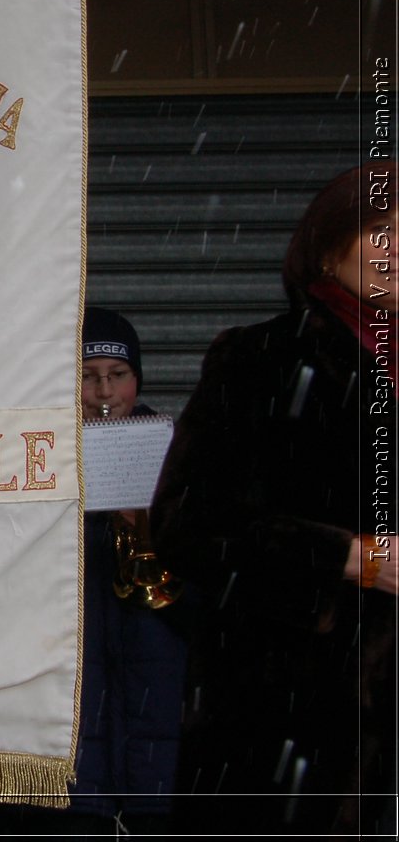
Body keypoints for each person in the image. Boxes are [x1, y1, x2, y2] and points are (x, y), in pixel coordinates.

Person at [151, 162, 398, 836]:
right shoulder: (259, 360)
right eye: (381, 230)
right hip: (291, 719)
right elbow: (187, 525)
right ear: (328, 245)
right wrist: (352, 557)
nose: (398, 247)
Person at [0, 306, 187, 836]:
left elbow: (203, 589)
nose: (104, 392)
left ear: (137, 380)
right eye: (88, 376)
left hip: (153, 717)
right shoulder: (30, 461)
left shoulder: (175, 457)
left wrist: (154, 526)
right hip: (64, 728)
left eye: (118, 376)